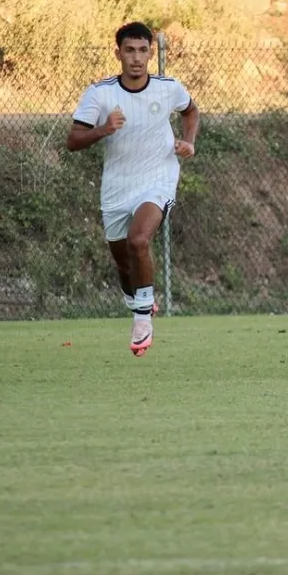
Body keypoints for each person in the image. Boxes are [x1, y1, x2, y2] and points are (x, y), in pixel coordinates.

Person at [66, 22, 199, 356]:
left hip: (159, 177)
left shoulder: (168, 87)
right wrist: (104, 129)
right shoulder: (101, 94)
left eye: (143, 50)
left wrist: (189, 142)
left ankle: (142, 317)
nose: (137, 58)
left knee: (139, 240)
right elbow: (72, 140)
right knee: (123, 262)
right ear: (118, 54)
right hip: (117, 186)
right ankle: (137, 300)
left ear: (151, 53)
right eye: (130, 50)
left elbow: (191, 111)